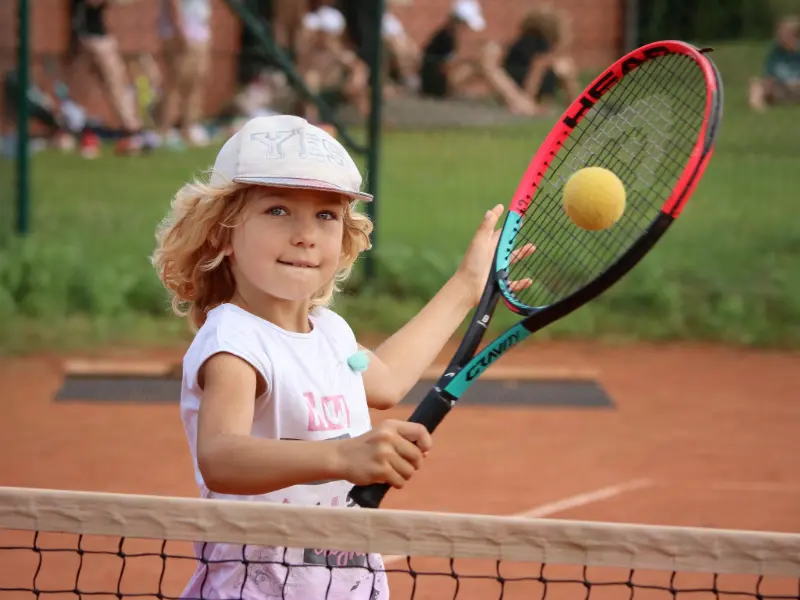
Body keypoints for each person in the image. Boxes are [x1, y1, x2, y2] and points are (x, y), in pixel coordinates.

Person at [150, 113, 533, 598]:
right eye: (278, 210)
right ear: (222, 234)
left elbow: (388, 380)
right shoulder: (234, 340)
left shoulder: (330, 333)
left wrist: (466, 286)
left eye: (326, 215)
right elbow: (221, 457)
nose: (305, 234)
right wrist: (342, 455)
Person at [419, 0, 539, 115]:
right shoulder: (445, 39)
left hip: (442, 80)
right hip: (436, 85)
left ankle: (515, 99)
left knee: (486, 67)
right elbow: (441, 66)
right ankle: (516, 101)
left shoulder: (448, 36)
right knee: (486, 67)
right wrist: (472, 60)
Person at [68, 0, 144, 156]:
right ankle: (130, 131)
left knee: (112, 85)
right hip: (93, 39)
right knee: (114, 84)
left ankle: (129, 131)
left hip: (91, 37)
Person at [501, 5, 580, 115]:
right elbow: (537, 66)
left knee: (564, 66)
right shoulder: (538, 49)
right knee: (561, 66)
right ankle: (574, 106)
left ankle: (574, 105)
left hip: (520, 81)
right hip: (522, 87)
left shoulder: (527, 44)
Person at [157, 0, 213, 149]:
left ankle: (189, 127)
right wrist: (179, 28)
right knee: (176, 81)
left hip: (199, 25)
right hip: (180, 28)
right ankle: (166, 128)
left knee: (196, 80)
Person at [749, 16, 800, 112]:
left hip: (797, 88)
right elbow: (769, 75)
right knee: (755, 84)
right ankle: (760, 110)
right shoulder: (775, 51)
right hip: (781, 88)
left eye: (784, 33)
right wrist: (769, 82)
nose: (780, 36)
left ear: (794, 36)